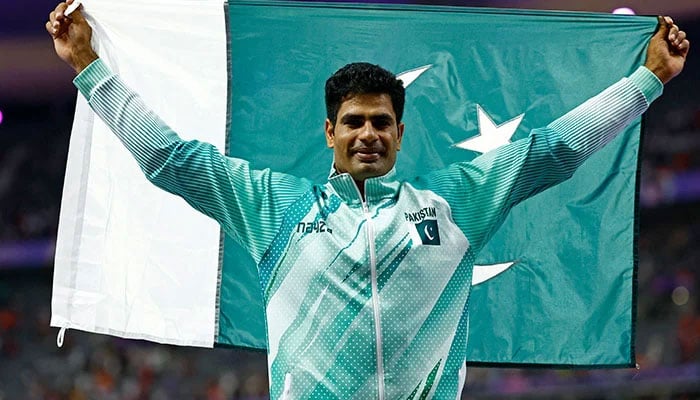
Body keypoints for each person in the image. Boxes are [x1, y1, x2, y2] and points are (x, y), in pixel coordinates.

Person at [47, 1, 689, 398]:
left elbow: (554, 150)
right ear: (330, 132)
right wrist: (90, 71)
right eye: (353, 121)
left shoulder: (456, 201)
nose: (368, 134)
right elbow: (172, 160)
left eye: (381, 122)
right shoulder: (273, 206)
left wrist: (647, 80)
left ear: (400, 133)